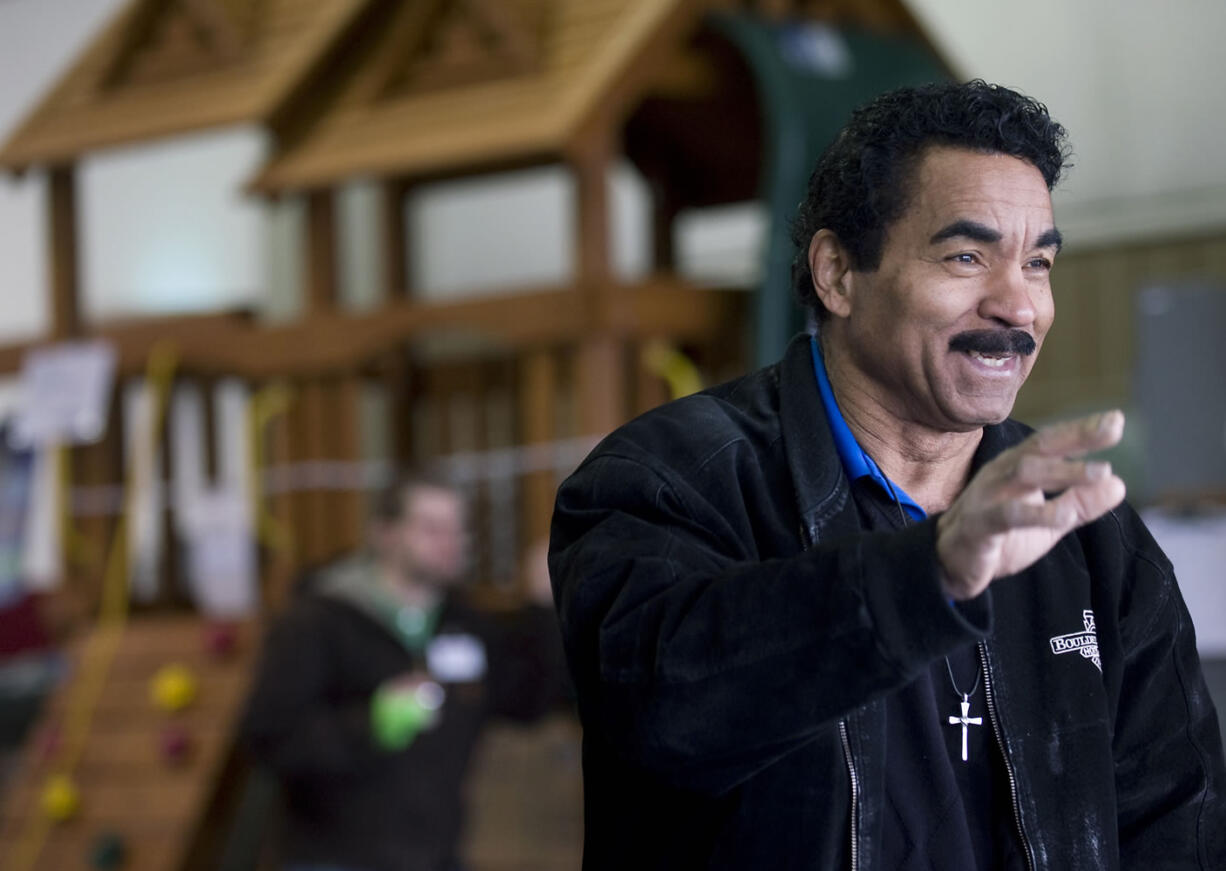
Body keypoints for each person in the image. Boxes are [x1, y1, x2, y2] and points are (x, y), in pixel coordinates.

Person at [548, 80, 1226, 870]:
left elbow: (1178, 822)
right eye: (967, 256)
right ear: (837, 273)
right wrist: (925, 574)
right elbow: (662, 708)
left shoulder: (1086, 529)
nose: (1018, 305)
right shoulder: (667, 480)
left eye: (1038, 263)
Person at [242, 472, 563, 871]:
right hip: (332, 858)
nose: (450, 542)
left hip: (435, 856)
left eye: (456, 528)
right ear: (385, 534)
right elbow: (268, 737)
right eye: (431, 528)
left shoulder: (464, 623)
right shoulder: (317, 621)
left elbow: (527, 703)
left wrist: (543, 607)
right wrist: (371, 723)